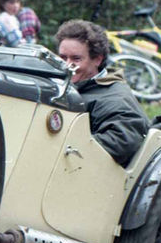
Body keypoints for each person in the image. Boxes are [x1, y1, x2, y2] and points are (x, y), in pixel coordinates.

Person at [55, 19, 149, 167]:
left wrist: (61, 147)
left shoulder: (114, 98)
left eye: (76, 59)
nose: (67, 65)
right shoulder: (68, 84)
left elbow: (122, 140)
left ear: (97, 60)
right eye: (62, 58)